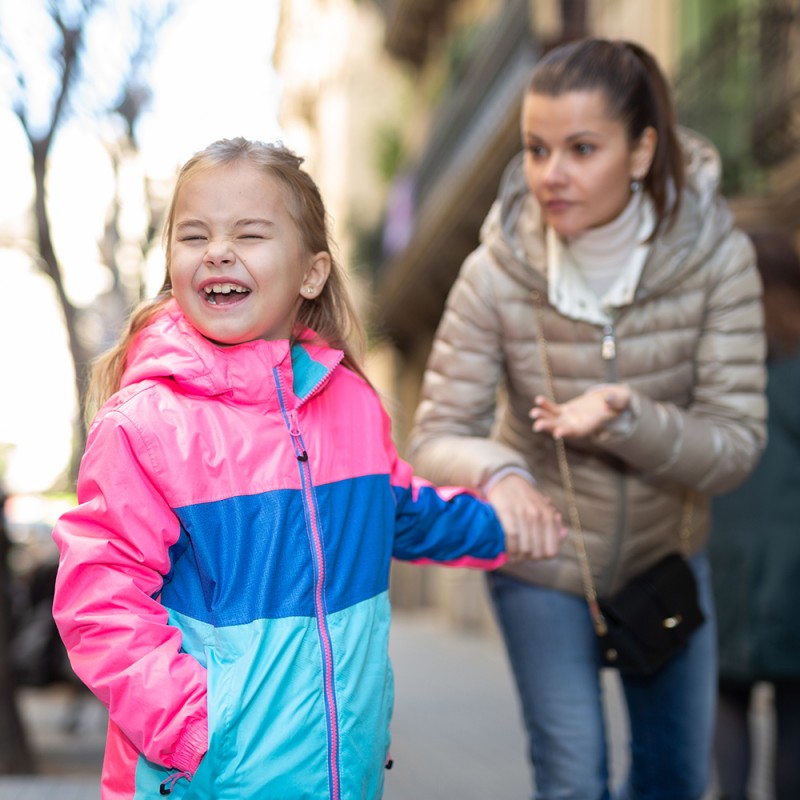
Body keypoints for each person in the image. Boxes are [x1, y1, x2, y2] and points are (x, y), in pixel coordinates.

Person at [51, 138, 517, 800]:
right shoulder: (146, 425)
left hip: (341, 773)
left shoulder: (350, 403)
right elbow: (100, 595)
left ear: (311, 273)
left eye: (249, 233)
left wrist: (503, 527)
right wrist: (195, 730)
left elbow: (397, 508)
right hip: (205, 778)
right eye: (194, 235)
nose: (217, 250)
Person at [407, 38, 767, 800]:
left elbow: (736, 447)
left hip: (663, 558)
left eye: (580, 149)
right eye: (537, 149)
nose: (551, 175)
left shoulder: (718, 258)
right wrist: (499, 476)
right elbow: (436, 432)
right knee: (573, 777)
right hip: (541, 559)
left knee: (673, 777)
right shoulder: (495, 270)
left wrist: (628, 417)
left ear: (641, 151)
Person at [708, 229, 800, 800]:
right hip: (793, 569)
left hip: (721, 561)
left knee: (725, 708)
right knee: (794, 725)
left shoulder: (717, 368)